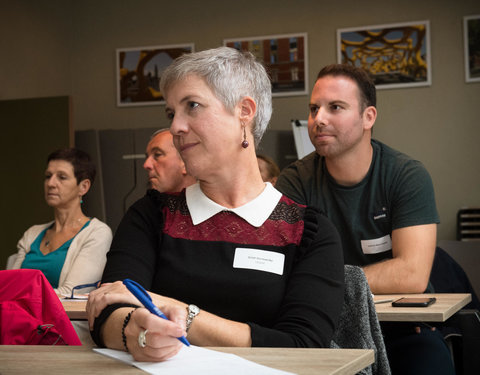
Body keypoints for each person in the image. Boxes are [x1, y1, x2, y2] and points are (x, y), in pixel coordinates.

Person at [87, 47, 345, 362]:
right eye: (171, 113)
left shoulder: (308, 233)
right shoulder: (152, 215)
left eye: (192, 106)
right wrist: (135, 332)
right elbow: (109, 311)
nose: (175, 127)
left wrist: (177, 312)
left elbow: (303, 347)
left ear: (244, 112)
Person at [275, 64, 454, 374]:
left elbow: (412, 275)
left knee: (430, 360)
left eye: (335, 107)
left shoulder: (405, 176)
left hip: (400, 329)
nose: (319, 119)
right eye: (314, 108)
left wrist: (323, 279)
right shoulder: (295, 181)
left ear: (368, 117)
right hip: (324, 325)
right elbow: (282, 272)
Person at [9, 148, 112, 297]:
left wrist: (20, 296)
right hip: (17, 317)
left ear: (83, 187)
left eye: (62, 177)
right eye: (48, 176)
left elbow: (70, 294)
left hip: (63, 319)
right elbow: (9, 286)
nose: (51, 183)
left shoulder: (97, 233)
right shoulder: (32, 233)